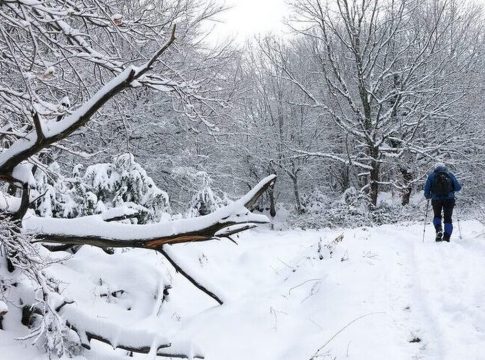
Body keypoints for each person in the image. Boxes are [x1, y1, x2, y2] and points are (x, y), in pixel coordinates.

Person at [424, 163, 462, 242]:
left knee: (437, 216)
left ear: (435, 168)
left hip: (436, 200)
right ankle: (446, 237)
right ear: (444, 168)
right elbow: (458, 188)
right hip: (449, 199)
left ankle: (438, 230)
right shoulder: (450, 175)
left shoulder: (431, 176)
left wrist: (429, 196)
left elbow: (426, 191)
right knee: (448, 218)